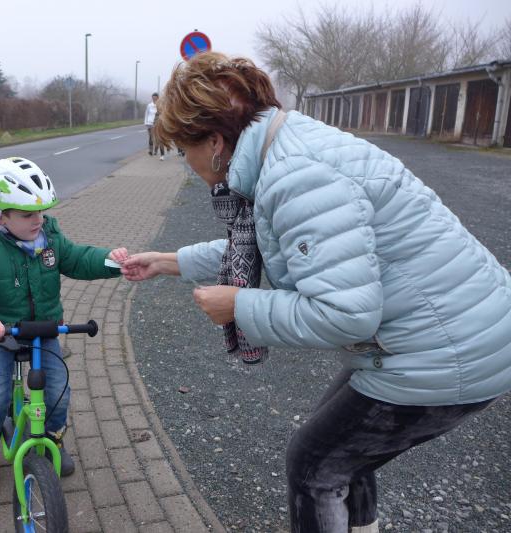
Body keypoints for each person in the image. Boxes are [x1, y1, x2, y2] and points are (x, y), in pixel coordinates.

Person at [121, 52, 511, 533]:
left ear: (216, 143)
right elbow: (280, 244)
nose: (186, 162)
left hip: (449, 350)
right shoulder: (285, 146)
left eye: (185, 149)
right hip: (458, 329)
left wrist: (239, 305)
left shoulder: (296, 175)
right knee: (342, 453)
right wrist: (167, 262)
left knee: (314, 467)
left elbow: (345, 315)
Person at [0, 156, 129, 495]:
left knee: (58, 392)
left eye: (41, 212)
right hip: (3, 333)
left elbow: (78, 259)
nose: (38, 220)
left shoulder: (49, 237)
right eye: (27, 214)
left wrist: (112, 261)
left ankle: (53, 439)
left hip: (45, 330)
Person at [144, 92, 165, 160]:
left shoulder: (160, 105)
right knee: (151, 137)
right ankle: (151, 150)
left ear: (158, 98)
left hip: (158, 123)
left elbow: (163, 113)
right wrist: (146, 122)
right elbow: (146, 114)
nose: (154, 99)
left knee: (159, 138)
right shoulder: (149, 105)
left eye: (155, 98)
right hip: (150, 123)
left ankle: (162, 154)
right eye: (153, 98)